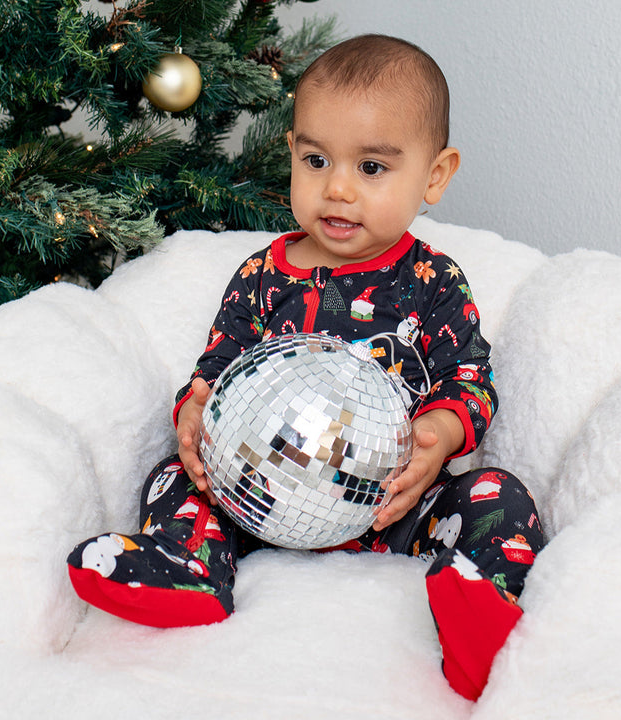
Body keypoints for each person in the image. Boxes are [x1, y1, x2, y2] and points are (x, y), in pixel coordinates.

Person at [67, 34, 545, 702]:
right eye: (317, 159)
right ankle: (191, 567)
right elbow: (218, 367)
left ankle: (481, 605)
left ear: (434, 175)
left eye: (372, 168)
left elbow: (470, 375)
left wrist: (438, 434)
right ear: (291, 153)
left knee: (500, 493)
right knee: (173, 475)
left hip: (389, 509)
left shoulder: (431, 281)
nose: (338, 188)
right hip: (256, 501)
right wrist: (196, 410)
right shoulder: (263, 276)